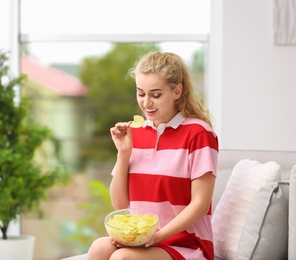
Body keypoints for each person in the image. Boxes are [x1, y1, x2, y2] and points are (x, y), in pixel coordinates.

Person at [86, 51, 218, 260]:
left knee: (122, 258)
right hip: (143, 240)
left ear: (177, 91)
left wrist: (155, 237)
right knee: (98, 249)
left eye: (155, 95)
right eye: (141, 93)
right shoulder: (134, 133)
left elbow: (200, 205)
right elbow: (119, 203)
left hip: (186, 243)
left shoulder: (199, 134)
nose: (146, 103)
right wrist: (123, 153)